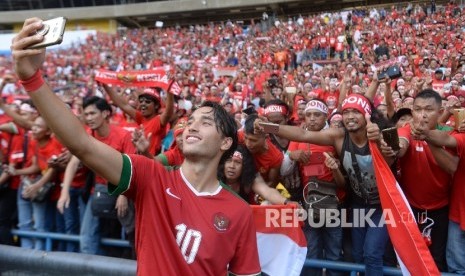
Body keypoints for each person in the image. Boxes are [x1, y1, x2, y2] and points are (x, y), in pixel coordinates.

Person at [11, 18, 260, 275]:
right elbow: (81, 144)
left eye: (205, 122)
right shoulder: (150, 177)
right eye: (191, 121)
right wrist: (32, 79)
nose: (192, 127)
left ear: (226, 142)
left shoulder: (239, 211)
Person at [255, 93, 389, 275]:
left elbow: (396, 152)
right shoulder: (338, 136)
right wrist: (268, 127)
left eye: (356, 112)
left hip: (375, 206)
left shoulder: (378, 135)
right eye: (346, 112)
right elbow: (302, 134)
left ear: (366, 115)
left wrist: (380, 140)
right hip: (347, 205)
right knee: (355, 255)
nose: (350, 116)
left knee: (368, 254)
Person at [381, 89, 458, 271]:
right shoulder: (406, 130)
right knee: (406, 260)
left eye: (429, 109)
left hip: (441, 209)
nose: (422, 114)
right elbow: (401, 145)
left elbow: (451, 167)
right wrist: (392, 150)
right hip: (409, 208)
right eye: (417, 109)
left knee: (436, 262)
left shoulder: (450, 134)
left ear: (440, 113)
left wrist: (427, 138)